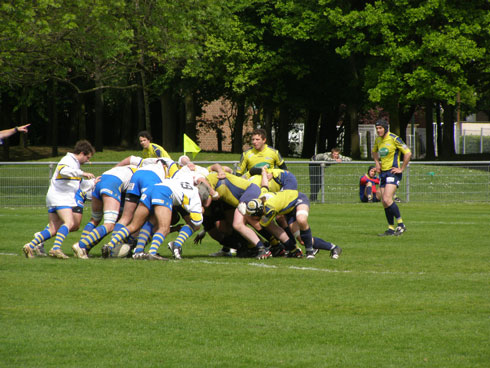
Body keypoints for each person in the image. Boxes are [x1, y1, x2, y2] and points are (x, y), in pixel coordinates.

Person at [102, 177, 211, 260]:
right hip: (164, 193)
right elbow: (197, 222)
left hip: (152, 189)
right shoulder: (196, 198)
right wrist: (200, 211)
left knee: (133, 225)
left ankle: (110, 245)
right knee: (164, 228)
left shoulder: (185, 182)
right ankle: (152, 252)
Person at [243, 168, 342, 260]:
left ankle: (309, 252)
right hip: (289, 208)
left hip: (298, 199)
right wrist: (263, 173)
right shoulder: (261, 196)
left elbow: (263, 225)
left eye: (254, 214)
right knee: (302, 239)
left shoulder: (270, 208)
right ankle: (333, 247)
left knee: (301, 220)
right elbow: (264, 185)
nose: (254, 217)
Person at [22, 140, 96, 259]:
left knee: (53, 228)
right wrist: (82, 172)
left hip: (55, 197)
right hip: (60, 197)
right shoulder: (68, 160)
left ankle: (30, 245)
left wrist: (93, 182)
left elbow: (77, 183)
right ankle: (56, 248)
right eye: (87, 157)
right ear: (82, 153)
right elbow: (63, 171)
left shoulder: (74, 164)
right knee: (70, 222)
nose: (88, 161)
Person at [372, 119, 411, 236]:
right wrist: (377, 163)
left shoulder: (394, 138)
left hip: (393, 172)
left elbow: (408, 152)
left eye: (380, 128)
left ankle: (401, 225)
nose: (378, 130)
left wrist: (402, 168)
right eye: (377, 128)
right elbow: (374, 152)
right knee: (384, 202)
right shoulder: (378, 140)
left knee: (387, 199)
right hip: (383, 173)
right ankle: (390, 228)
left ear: (385, 128)